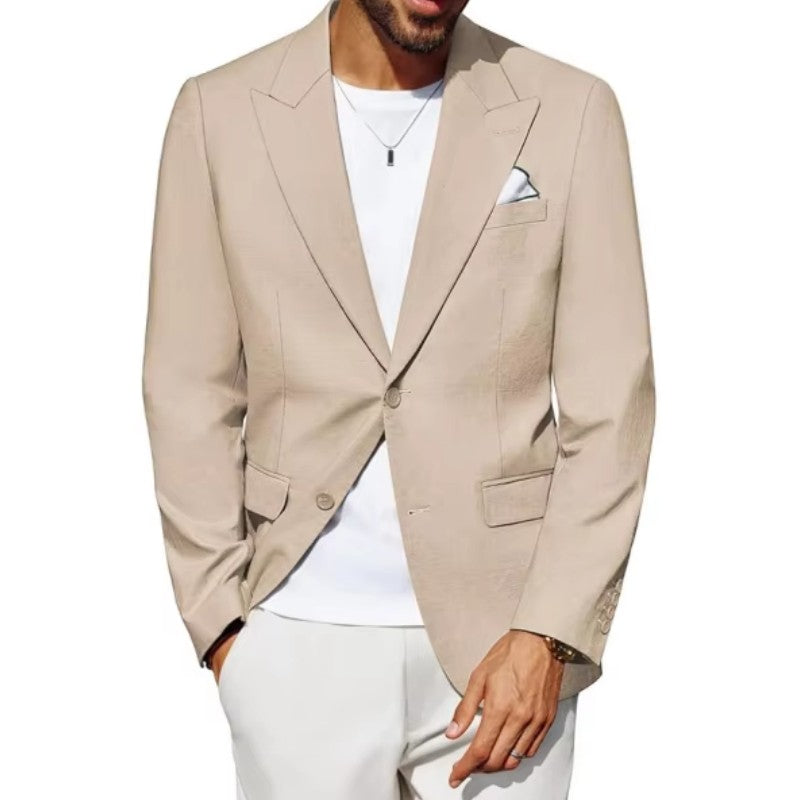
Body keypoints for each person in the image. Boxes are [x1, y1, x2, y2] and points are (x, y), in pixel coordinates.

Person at [142, 0, 656, 797]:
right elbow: (188, 385)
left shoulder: (571, 109)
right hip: (296, 639)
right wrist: (224, 632)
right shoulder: (219, 113)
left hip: (505, 650)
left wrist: (550, 634)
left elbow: (613, 401)